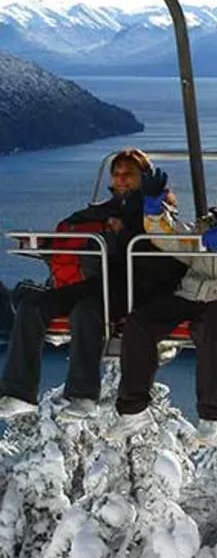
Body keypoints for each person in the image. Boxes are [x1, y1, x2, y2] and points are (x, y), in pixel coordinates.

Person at [0, 149, 182, 421]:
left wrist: (125, 227)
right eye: (117, 174)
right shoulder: (105, 211)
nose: (121, 180)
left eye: (128, 174)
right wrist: (48, 245)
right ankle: (18, 392)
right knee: (32, 305)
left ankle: (83, 395)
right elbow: (78, 228)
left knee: (87, 310)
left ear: (143, 177)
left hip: (137, 288)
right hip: (99, 283)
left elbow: (164, 244)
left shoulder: (156, 212)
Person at [111, 169, 217, 444]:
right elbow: (171, 238)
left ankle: (211, 417)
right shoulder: (206, 226)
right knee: (139, 323)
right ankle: (133, 409)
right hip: (190, 294)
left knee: (210, 331)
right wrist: (154, 210)